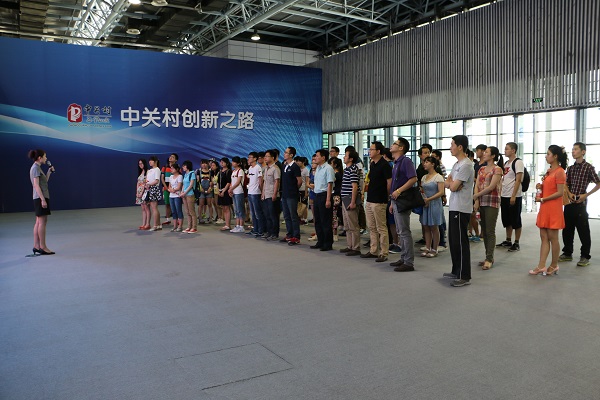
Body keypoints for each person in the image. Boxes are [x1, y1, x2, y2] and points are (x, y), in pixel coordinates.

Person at [559, 142, 600, 267]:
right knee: (567, 230)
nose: (573, 151)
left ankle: (585, 256)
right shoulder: (571, 168)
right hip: (569, 203)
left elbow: (598, 183)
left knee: (583, 231)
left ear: (583, 152)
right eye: (572, 149)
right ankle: (567, 253)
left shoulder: (589, 168)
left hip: (581, 205)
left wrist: (585, 195)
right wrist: (569, 193)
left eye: (576, 149)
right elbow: (565, 183)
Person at [529, 145, 568, 276]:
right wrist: (541, 186)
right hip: (545, 207)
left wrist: (543, 199)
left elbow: (560, 192)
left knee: (553, 238)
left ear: (555, 156)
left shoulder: (560, 172)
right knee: (544, 237)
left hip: (553, 208)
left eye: (548, 154)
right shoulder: (549, 171)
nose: (546, 156)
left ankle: (554, 264)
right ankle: (541, 265)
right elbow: (550, 188)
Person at [443, 135, 475, 287]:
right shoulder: (457, 164)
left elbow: (454, 186)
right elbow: (448, 182)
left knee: (461, 242)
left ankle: (464, 275)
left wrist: (452, 184)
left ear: (460, 147)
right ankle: (456, 270)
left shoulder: (466, 165)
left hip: (462, 207)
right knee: (454, 240)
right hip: (454, 206)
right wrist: (451, 183)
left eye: (452, 144)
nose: (450, 147)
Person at [361, 141, 392, 262]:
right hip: (370, 199)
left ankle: (384, 252)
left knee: (381, 227)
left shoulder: (385, 165)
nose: (369, 151)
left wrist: (387, 196)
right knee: (372, 227)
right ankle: (373, 250)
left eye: (372, 149)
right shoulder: (372, 164)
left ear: (378, 151)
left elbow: (389, 183)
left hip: (380, 200)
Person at [389, 138, 418, 270]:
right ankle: (403, 257)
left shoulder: (406, 161)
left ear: (401, 148)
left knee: (404, 231)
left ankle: (408, 262)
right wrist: (392, 202)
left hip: (403, 200)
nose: (391, 145)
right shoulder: (396, 163)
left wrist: (399, 191)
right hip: (396, 200)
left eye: (395, 144)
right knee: (400, 231)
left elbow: (413, 178)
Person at [473, 146, 503, 270]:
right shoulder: (481, 169)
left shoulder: (497, 169)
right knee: (484, 231)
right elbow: (477, 185)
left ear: (493, 156)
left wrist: (477, 195)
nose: (484, 153)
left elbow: (491, 187)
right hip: (481, 202)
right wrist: (476, 200)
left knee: (490, 231)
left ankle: (489, 258)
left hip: (492, 202)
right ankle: (487, 256)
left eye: (486, 152)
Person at [498, 142, 524, 251]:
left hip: (514, 196)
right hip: (504, 195)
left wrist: (513, 195)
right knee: (507, 219)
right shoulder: (506, 163)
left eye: (507, 149)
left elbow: (518, 180)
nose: (505, 151)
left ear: (513, 150)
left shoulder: (518, 162)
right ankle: (508, 240)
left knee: (515, 220)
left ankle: (516, 242)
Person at [29, 149, 55, 255]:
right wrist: (43, 199)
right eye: (45, 156)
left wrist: (49, 172)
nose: (46, 158)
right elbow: (36, 185)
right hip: (41, 197)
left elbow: (43, 183)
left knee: (38, 222)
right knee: (42, 222)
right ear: (39, 158)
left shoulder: (37, 168)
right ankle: (43, 247)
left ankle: (36, 246)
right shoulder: (35, 168)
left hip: (39, 197)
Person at [419, 156, 445, 258]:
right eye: (424, 162)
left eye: (427, 162)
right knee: (426, 226)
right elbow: (422, 190)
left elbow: (441, 192)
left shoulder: (438, 177)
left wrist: (429, 199)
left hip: (434, 204)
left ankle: (435, 248)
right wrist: (423, 198)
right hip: (425, 203)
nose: (424, 164)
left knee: (434, 226)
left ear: (433, 164)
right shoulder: (424, 177)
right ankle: (427, 247)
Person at [310, 148, 335, 251]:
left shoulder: (328, 168)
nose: (315, 158)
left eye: (317, 156)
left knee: (325, 221)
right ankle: (320, 241)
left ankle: (327, 243)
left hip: (325, 195)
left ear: (323, 157)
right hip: (317, 195)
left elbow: (330, 184)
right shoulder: (318, 168)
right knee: (318, 220)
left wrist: (328, 199)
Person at [339, 149, 362, 256]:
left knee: (353, 224)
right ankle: (350, 246)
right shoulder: (346, 169)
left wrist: (353, 202)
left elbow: (355, 186)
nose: (344, 157)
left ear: (351, 159)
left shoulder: (353, 169)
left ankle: (356, 247)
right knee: (347, 225)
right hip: (345, 199)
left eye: (346, 155)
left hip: (349, 199)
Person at [280, 147, 302, 244]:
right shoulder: (284, 165)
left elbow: (299, 181)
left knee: (293, 216)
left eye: (286, 152)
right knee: (286, 216)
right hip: (284, 194)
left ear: (291, 155)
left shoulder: (295, 166)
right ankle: (289, 234)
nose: (284, 154)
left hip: (292, 195)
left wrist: (293, 189)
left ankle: (296, 236)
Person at [261, 150, 281, 240]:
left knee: (273, 215)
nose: (265, 158)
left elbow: (277, 182)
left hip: (272, 194)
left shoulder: (275, 168)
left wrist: (275, 193)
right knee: (267, 214)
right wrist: (262, 193)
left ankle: (274, 233)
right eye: (265, 156)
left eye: (267, 156)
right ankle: (269, 232)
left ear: (272, 158)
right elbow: (265, 182)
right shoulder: (266, 168)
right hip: (266, 194)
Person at [246, 152, 265, 237]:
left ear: (255, 158)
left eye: (250, 157)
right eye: (248, 157)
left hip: (256, 193)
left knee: (258, 212)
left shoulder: (258, 168)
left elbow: (260, 180)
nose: (248, 159)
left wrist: (261, 191)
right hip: (250, 192)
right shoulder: (250, 168)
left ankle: (260, 230)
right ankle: (255, 229)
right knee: (252, 213)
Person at [229, 156, 246, 233]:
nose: (232, 163)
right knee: (236, 210)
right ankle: (237, 225)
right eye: (232, 161)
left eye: (234, 162)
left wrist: (231, 189)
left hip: (239, 192)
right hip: (234, 192)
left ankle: (241, 226)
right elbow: (232, 182)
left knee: (240, 209)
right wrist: (231, 190)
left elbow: (238, 182)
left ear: (238, 163)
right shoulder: (233, 171)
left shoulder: (240, 171)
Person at [146, 156, 163, 231]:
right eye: (149, 160)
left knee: (154, 208)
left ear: (155, 161)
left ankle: (155, 225)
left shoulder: (157, 169)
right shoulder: (150, 170)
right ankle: (158, 224)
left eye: (151, 160)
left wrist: (149, 184)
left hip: (154, 188)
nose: (150, 162)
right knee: (154, 207)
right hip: (149, 188)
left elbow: (156, 180)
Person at [329, 157, 343, 242]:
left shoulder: (336, 174)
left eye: (331, 163)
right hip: (334, 195)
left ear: (335, 165)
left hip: (336, 196)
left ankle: (334, 233)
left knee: (334, 215)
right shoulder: (335, 173)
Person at [161, 153, 178, 225]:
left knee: (175, 205)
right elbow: (162, 178)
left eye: (173, 157)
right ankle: (168, 219)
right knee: (167, 204)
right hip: (166, 189)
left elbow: (179, 178)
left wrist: (174, 189)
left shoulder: (177, 168)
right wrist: (166, 187)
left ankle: (177, 219)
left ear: (176, 160)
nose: (170, 158)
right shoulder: (164, 167)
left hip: (175, 189)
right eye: (170, 156)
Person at [181, 160, 197, 233]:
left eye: (184, 166)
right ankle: (189, 226)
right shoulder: (185, 174)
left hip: (190, 194)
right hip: (184, 195)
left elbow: (191, 185)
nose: (183, 167)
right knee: (187, 212)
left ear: (187, 166)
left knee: (191, 211)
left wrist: (185, 193)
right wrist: (182, 192)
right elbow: (184, 184)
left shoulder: (192, 174)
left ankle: (194, 227)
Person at [167, 163, 184, 232]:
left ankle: (180, 226)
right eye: (171, 168)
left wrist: (174, 190)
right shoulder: (171, 177)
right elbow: (169, 186)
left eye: (172, 168)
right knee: (173, 211)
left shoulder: (180, 176)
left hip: (177, 195)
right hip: (171, 195)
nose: (171, 170)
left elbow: (179, 187)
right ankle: (175, 226)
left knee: (178, 210)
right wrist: (170, 190)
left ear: (177, 169)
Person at [217, 157, 233, 230]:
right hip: (220, 190)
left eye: (223, 162)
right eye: (221, 162)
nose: (221, 163)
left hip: (226, 191)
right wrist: (218, 190)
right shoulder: (220, 171)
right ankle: (226, 224)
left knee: (227, 208)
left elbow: (228, 182)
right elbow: (218, 182)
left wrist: (223, 191)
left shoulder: (228, 171)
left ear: (227, 163)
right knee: (223, 208)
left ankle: (228, 224)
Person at [197, 160, 213, 224]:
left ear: (208, 164)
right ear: (201, 164)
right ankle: (200, 218)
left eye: (205, 163)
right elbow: (198, 181)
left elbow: (212, 181)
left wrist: (210, 188)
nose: (204, 165)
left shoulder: (210, 172)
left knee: (209, 204)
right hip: (201, 190)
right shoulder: (198, 171)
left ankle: (210, 217)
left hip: (209, 190)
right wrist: (200, 188)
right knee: (201, 204)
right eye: (202, 163)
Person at [136, 158, 150, 230]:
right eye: (139, 164)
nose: (140, 165)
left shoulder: (147, 172)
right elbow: (138, 183)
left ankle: (148, 224)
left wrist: (141, 192)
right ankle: (143, 224)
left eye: (141, 163)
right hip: (139, 192)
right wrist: (137, 192)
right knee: (143, 208)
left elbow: (146, 183)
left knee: (146, 208)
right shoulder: (141, 172)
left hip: (144, 192)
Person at [295, 156, 310, 224]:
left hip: (303, 189)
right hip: (297, 189)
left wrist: (306, 192)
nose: (298, 162)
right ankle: (299, 218)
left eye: (299, 161)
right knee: (298, 205)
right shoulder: (297, 169)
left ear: (303, 162)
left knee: (304, 205)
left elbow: (307, 182)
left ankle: (305, 218)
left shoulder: (306, 170)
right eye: (297, 161)